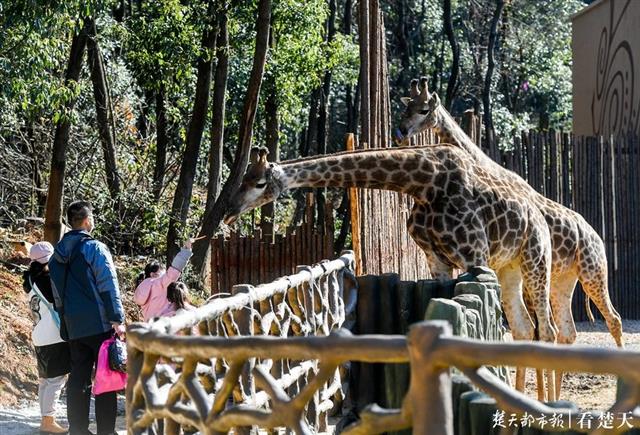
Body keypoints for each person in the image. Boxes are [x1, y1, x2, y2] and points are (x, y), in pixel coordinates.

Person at [49, 201, 125, 435]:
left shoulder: (56, 255)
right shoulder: (95, 248)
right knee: (106, 377)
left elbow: (56, 295)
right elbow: (108, 285)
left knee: (78, 379)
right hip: (100, 323)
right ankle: (106, 431)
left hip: (73, 326)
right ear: (87, 220)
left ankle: (78, 430)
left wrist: (65, 320)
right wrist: (117, 318)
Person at [23, 242, 71, 434]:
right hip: (54, 335)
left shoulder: (30, 280)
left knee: (45, 380)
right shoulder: (48, 280)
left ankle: (46, 418)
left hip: (39, 335)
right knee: (56, 380)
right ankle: (48, 421)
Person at [134, 239, 193, 321]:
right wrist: (186, 250)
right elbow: (173, 272)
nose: (165, 274)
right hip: (164, 325)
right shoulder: (158, 284)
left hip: (151, 328)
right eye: (163, 272)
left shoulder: (142, 289)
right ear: (153, 274)